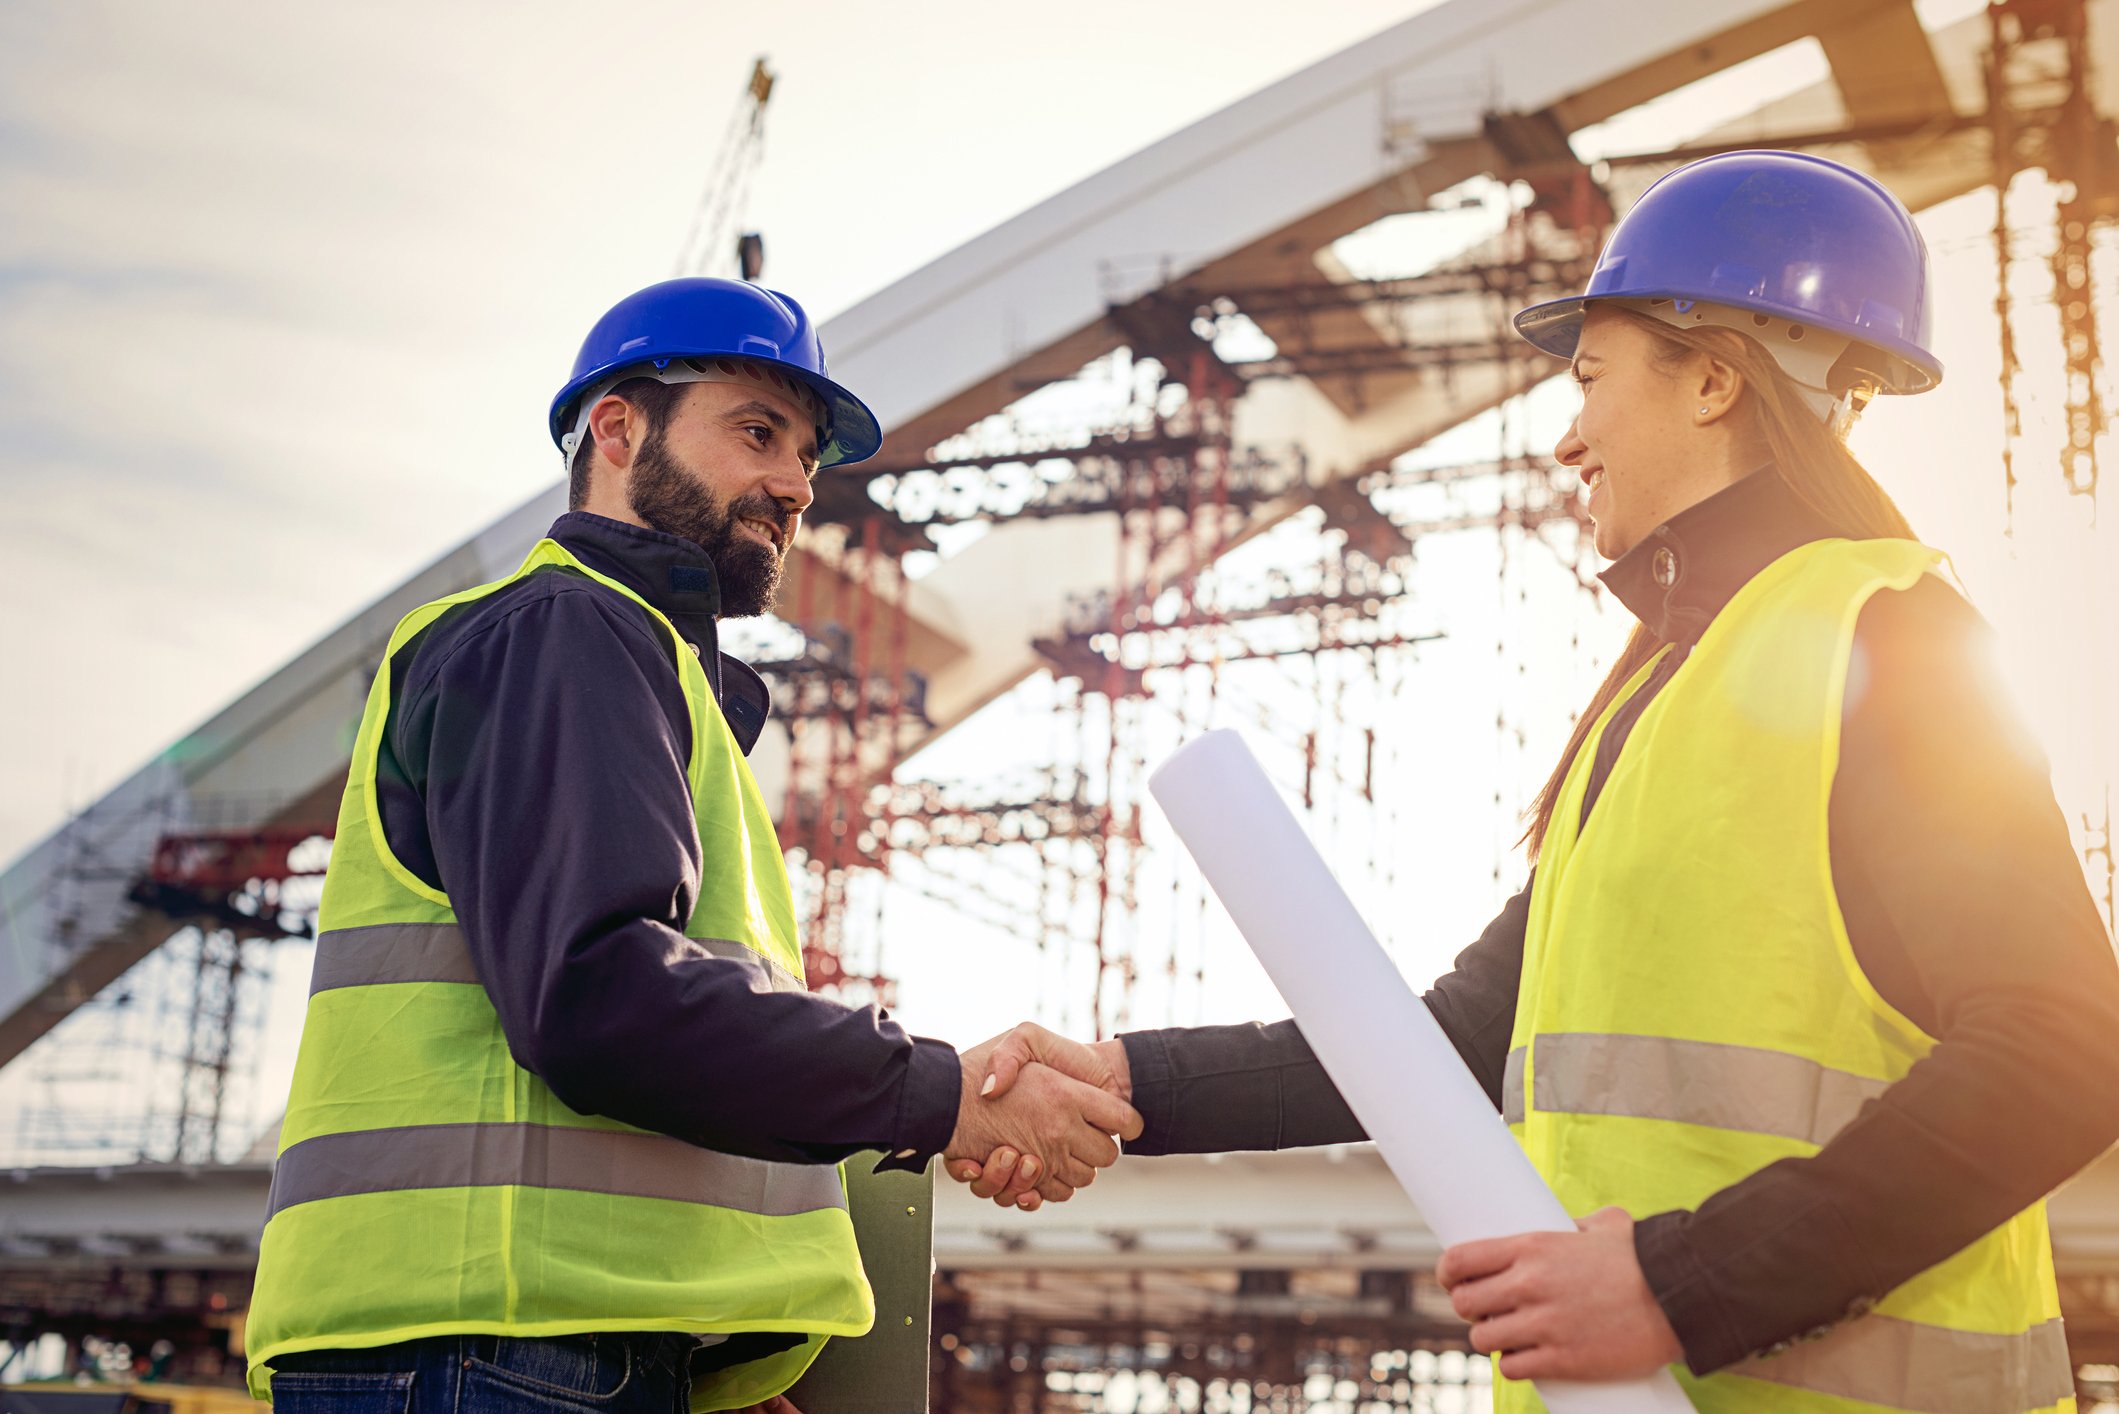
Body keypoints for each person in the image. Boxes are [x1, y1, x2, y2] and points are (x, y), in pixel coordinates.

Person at [954, 152, 2119, 1411]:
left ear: (1716, 378)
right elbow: (1459, 1039)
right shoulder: (1663, 692)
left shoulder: (1890, 638)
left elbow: (2065, 1045)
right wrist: (1124, 1083)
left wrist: (1678, 1285)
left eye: (1588, 376)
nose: (1568, 438)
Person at [244, 277, 1138, 1414]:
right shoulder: (564, 632)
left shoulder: (642, 674)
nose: (795, 484)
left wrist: (696, 1362)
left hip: (537, 1341)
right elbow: (600, 997)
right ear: (616, 427)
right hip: (497, 1343)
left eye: (809, 455)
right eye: (756, 431)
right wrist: (946, 1093)